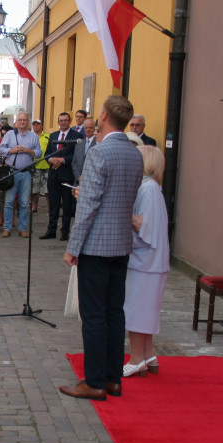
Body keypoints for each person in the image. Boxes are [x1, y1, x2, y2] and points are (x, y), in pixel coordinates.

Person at [59, 95, 144, 401]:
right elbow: (123, 197)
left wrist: (73, 246)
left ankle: (94, 381)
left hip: (96, 244)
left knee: (93, 314)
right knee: (113, 312)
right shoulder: (135, 154)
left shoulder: (100, 153)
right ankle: (112, 378)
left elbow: (91, 204)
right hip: (121, 242)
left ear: (105, 115)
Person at [123, 146, 169, 377]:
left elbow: (143, 225)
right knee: (145, 309)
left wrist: (120, 207)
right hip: (148, 260)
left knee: (136, 310)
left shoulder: (149, 188)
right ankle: (149, 354)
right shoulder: (149, 187)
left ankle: (137, 358)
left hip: (146, 262)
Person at [0, 111, 42, 238]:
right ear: (16, 122)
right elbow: (1, 149)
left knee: (24, 202)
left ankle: (23, 228)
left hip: (27, 173)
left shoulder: (33, 136)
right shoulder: (10, 134)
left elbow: (39, 153)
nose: (22, 122)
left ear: (28, 122)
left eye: (25, 120)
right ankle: (7, 228)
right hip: (12, 172)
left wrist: (28, 151)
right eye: (20, 120)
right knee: (9, 201)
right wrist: (12, 150)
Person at [41, 112, 83, 240]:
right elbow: (47, 153)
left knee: (67, 205)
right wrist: (51, 159)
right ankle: (51, 230)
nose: (63, 122)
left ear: (70, 121)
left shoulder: (76, 136)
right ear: (58, 122)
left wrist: (62, 159)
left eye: (65, 120)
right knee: (53, 205)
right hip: (54, 174)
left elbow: (77, 155)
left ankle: (65, 231)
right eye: (61, 120)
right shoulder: (53, 135)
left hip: (67, 174)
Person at [71, 117, 97, 184]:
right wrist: (78, 177)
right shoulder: (79, 143)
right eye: (86, 128)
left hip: (92, 181)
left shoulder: (98, 143)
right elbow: (74, 163)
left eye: (90, 128)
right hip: (78, 182)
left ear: (94, 128)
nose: (88, 130)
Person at [30, 119, 49, 213]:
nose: (36, 126)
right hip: (35, 166)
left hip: (47, 166)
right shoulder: (30, 137)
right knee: (34, 190)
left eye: (38, 124)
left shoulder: (48, 136)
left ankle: (50, 208)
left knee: (47, 190)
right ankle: (34, 207)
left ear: (41, 126)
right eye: (34, 124)